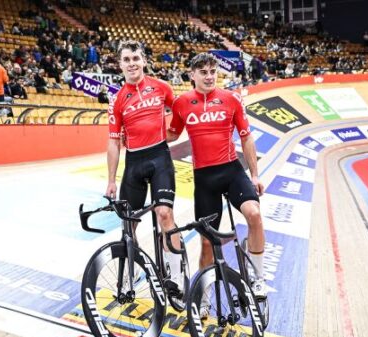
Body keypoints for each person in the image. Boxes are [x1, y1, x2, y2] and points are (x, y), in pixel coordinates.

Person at [167, 52, 267, 304]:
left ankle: (257, 277)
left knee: (254, 214)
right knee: (207, 244)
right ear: (192, 75)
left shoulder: (231, 99)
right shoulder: (181, 103)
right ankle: (203, 298)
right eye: (204, 72)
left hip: (231, 171)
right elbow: (170, 134)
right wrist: (136, 134)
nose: (210, 77)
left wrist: (254, 175)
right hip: (204, 179)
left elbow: (246, 137)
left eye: (213, 71)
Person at [106, 40, 183, 292]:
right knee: (129, 225)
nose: (132, 64)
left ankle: (176, 275)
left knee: (164, 214)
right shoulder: (117, 100)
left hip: (160, 157)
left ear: (144, 61)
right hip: (134, 163)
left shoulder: (161, 87)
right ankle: (131, 272)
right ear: (120, 65)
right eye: (126, 60)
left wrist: (172, 132)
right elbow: (114, 142)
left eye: (135, 58)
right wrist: (111, 180)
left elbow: (180, 112)